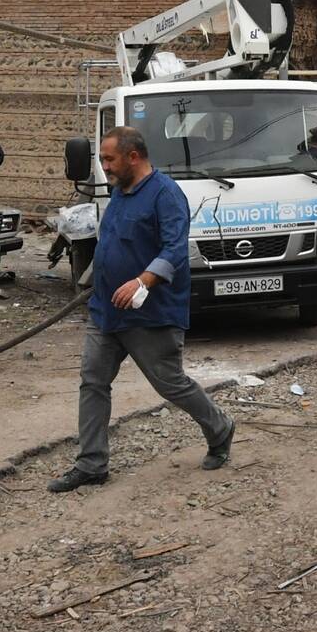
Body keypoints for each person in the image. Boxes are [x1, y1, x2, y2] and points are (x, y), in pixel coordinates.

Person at [48, 126, 233, 493]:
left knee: (171, 384)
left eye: (109, 159)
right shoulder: (119, 192)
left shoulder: (166, 195)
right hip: (106, 311)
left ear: (134, 156)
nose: (105, 167)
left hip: (150, 313)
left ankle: (220, 428)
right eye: (102, 159)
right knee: (94, 382)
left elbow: (174, 250)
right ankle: (92, 464)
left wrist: (141, 281)